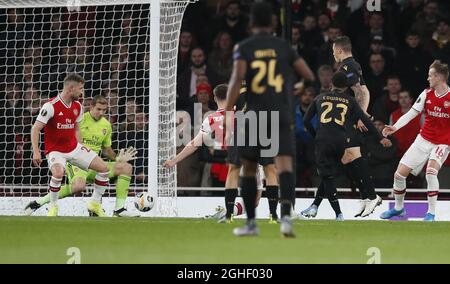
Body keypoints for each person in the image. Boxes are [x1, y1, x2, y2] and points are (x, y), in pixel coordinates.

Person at [225, 2, 315, 237]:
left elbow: (236, 80)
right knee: (282, 165)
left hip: (253, 115)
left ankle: (251, 224)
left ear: (251, 22)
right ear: (273, 22)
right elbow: (308, 74)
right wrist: (299, 86)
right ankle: (285, 218)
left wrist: (228, 109)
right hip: (281, 114)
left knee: (248, 167)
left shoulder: (244, 47)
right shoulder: (283, 46)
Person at [25, 95, 139, 217]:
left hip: (94, 164)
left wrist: (117, 158)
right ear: (91, 107)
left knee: (126, 168)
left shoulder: (106, 125)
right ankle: (38, 202)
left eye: (104, 110)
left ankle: (119, 209)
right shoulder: (80, 119)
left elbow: (106, 149)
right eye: (98, 109)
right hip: (77, 163)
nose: (101, 113)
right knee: (78, 186)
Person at [302, 72, 390, 221]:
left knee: (327, 177)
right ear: (345, 87)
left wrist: (316, 134)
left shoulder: (319, 97)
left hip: (323, 141)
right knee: (329, 174)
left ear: (331, 84)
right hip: (342, 142)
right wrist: (380, 137)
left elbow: (305, 121)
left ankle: (338, 214)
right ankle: (314, 205)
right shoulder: (350, 100)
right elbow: (366, 120)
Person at [29, 73, 110, 217]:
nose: (82, 92)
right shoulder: (50, 106)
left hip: (74, 148)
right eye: (80, 88)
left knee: (104, 169)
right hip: (55, 151)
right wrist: (36, 151)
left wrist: (82, 148)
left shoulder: (77, 106)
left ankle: (94, 203)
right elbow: (35, 128)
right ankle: (53, 208)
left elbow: (77, 129)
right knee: (58, 173)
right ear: (71, 89)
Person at [380, 60, 450, 222]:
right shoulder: (426, 94)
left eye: (430, 75)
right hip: (423, 139)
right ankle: (398, 208)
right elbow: (412, 113)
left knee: (431, 172)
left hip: (442, 142)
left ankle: (431, 213)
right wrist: (394, 127)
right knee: (399, 174)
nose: (428, 78)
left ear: (439, 77)